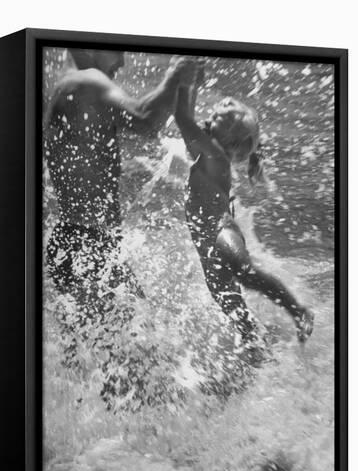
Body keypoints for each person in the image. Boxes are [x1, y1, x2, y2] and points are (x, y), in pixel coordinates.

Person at [44, 50, 195, 315]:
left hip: (75, 241)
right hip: (88, 247)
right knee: (134, 343)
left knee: (98, 348)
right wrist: (175, 75)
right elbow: (146, 120)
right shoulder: (88, 81)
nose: (122, 62)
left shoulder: (65, 84)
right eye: (118, 52)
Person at [174, 73, 314, 345]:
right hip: (207, 245)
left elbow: (182, 118)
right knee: (231, 306)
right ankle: (256, 346)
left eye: (211, 121)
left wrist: (182, 79)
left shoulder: (213, 154)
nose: (204, 123)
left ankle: (298, 310)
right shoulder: (210, 154)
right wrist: (193, 84)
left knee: (244, 271)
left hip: (220, 231)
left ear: (226, 141)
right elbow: (188, 119)